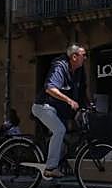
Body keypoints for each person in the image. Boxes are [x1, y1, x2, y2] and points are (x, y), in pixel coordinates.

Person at [31, 44, 88, 179]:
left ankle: (54, 181)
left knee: (63, 144)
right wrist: (69, 101)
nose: (85, 58)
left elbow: (82, 91)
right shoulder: (59, 66)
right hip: (44, 106)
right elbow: (50, 88)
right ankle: (50, 168)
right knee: (60, 130)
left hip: (59, 110)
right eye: (83, 55)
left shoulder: (79, 70)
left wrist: (88, 105)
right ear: (74, 57)